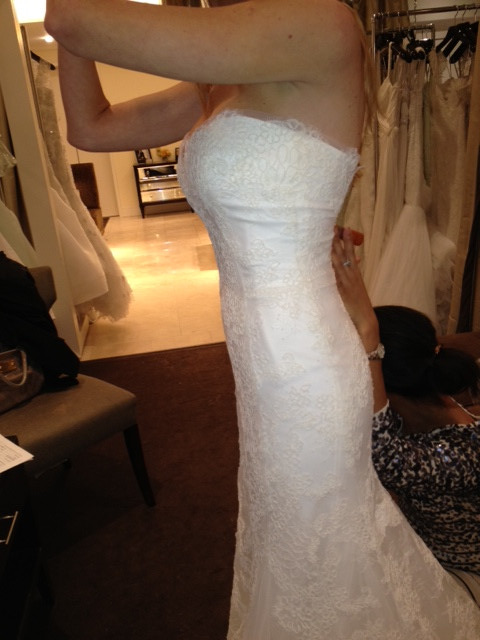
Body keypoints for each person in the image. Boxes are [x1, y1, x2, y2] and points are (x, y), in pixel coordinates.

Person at [45, 1, 480, 637]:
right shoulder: (218, 75)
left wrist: (64, 19)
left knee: (317, 536)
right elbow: (90, 126)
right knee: (289, 529)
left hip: (306, 366)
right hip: (262, 364)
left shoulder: (319, 25)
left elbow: (71, 18)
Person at [332, 226, 480, 602]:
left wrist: (369, 334)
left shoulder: (458, 453)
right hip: (427, 549)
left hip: (464, 572)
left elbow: (387, 459)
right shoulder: (429, 412)